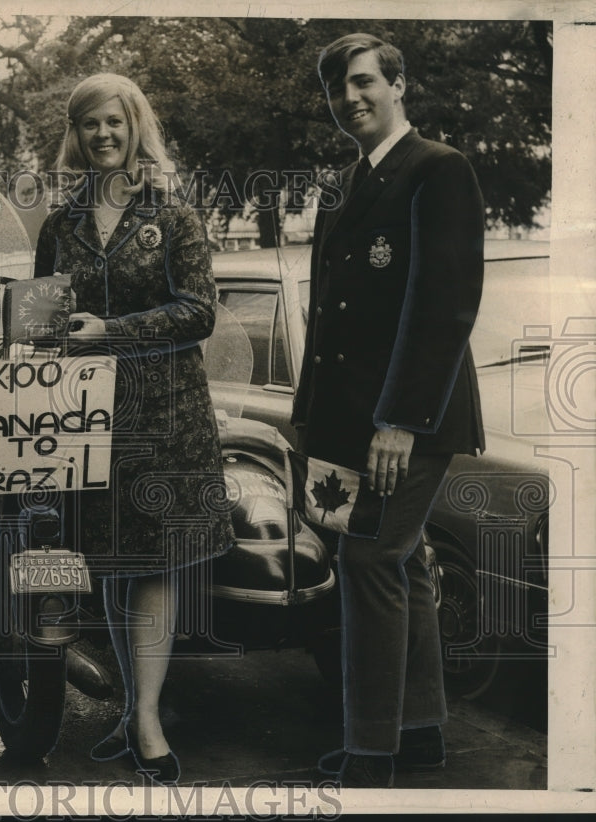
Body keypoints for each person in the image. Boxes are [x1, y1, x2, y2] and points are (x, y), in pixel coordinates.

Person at [292, 33, 486, 787]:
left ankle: (373, 750)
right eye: (339, 90)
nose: (352, 100)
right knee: (398, 565)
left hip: (412, 417)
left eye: (367, 82)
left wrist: (401, 420)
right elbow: (329, 317)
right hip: (351, 418)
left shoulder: (440, 170)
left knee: (368, 558)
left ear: (399, 84)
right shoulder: (344, 185)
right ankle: (422, 731)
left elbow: (445, 306)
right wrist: (309, 420)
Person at [33, 73, 234, 785]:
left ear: (135, 124)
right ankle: (130, 709)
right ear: (76, 135)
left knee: (152, 566)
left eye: (114, 122)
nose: (103, 136)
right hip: (88, 421)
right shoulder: (61, 224)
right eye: (90, 125)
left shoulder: (173, 212)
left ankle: (146, 714)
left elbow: (200, 312)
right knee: (113, 563)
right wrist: (32, 341)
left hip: (164, 417)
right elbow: (44, 318)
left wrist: (110, 332)